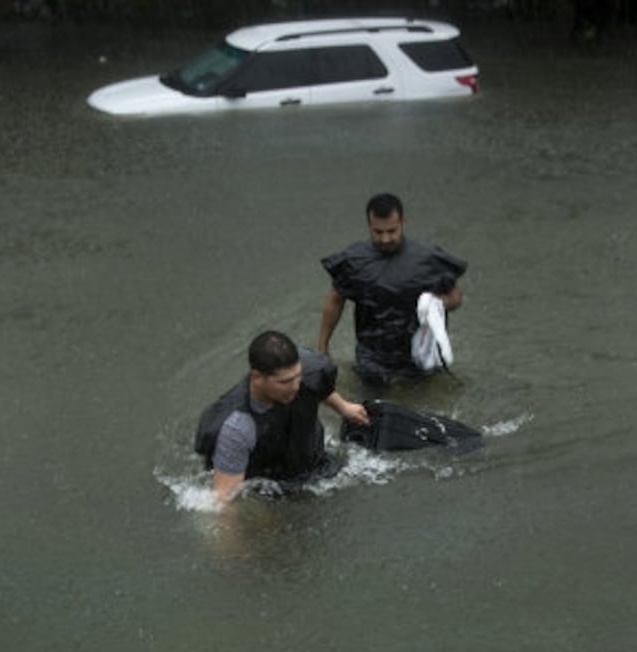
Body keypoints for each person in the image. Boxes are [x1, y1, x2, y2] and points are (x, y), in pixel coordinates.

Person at [194, 331, 369, 505]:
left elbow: (315, 383)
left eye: (298, 376)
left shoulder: (307, 371)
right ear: (257, 377)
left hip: (313, 461)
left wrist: (344, 407)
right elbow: (224, 500)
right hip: (270, 485)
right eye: (285, 382)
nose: (296, 387)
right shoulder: (237, 428)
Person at [318, 193, 468, 387]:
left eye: (392, 231)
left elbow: (455, 297)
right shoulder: (354, 261)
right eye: (378, 232)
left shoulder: (427, 258)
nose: (386, 238)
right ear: (368, 225)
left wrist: (435, 304)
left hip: (417, 355)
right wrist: (322, 347)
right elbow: (335, 300)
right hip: (372, 356)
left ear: (403, 222)